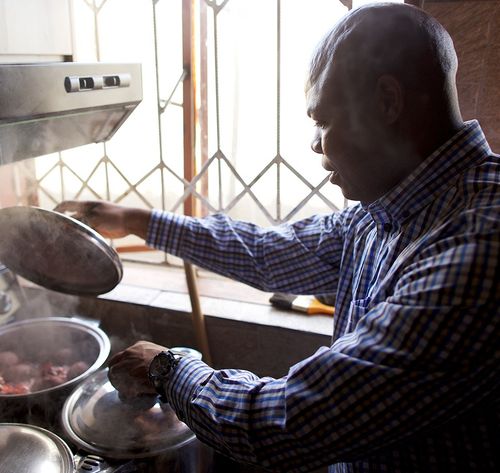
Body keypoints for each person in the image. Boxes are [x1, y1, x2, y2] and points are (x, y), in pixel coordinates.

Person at [55, 3, 499, 472]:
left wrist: (168, 369)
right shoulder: (384, 213)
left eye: (322, 120)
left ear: (388, 102)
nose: (314, 144)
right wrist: (132, 219)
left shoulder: (478, 242)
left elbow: (297, 420)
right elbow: (266, 254)